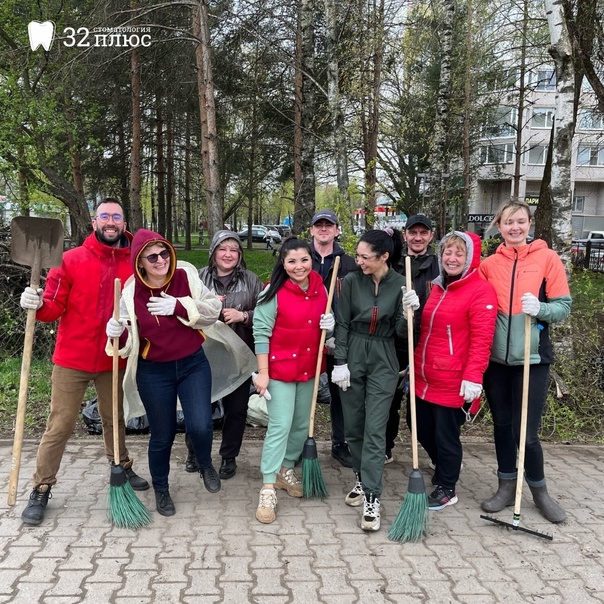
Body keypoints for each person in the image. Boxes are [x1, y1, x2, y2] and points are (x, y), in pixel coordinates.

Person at [18, 198, 149, 526]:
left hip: (112, 356)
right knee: (60, 424)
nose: (110, 222)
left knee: (113, 418)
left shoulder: (135, 264)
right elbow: (52, 308)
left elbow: (141, 308)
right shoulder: (70, 260)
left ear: (123, 222)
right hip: (72, 359)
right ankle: (41, 486)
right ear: (94, 222)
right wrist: (35, 303)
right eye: (104, 216)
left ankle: (121, 464)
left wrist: (127, 328)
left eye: (116, 217)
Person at [105, 229, 223, 517]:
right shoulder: (130, 292)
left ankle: (205, 463)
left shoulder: (186, 275)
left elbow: (213, 310)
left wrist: (180, 304)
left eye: (165, 252)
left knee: (201, 426)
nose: (161, 260)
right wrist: (116, 333)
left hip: (193, 364)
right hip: (154, 372)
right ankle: (161, 489)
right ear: (140, 262)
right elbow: (128, 343)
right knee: (162, 435)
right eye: (153, 256)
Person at [479, 200, 572, 524]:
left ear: (529, 224)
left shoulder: (547, 259)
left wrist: (542, 310)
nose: (514, 227)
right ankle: (506, 485)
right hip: (497, 361)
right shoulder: (489, 264)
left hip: (533, 358)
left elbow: (563, 307)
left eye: (520, 221)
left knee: (527, 433)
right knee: (503, 427)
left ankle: (539, 491)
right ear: (500, 226)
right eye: (508, 222)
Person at [407, 231, 497, 509]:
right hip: (425, 374)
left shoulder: (481, 291)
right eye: (448, 252)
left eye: (459, 253)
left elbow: (482, 340)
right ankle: (443, 466)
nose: (452, 258)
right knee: (418, 426)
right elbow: (431, 331)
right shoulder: (438, 287)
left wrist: (473, 377)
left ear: (470, 257)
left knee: (446, 436)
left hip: (453, 379)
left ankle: (448, 486)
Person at [252, 237, 335, 524]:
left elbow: (324, 323)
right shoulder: (271, 292)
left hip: (309, 368)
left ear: (312, 260)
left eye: (304, 260)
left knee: (301, 424)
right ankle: (267, 486)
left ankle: (285, 469)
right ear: (283, 264)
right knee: (280, 424)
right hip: (280, 370)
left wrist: (330, 322)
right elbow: (261, 333)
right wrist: (262, 373)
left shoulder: (322, 287)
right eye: (291, 261)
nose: (298, 266)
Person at [331, 228, 406, 532]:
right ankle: (362, 479)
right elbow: (344, 323)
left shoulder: (402, 284)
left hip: (384, 356)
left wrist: (410, 314)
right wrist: (340, 362)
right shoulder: (351, 281)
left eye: (364, 256)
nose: (358, 260)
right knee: (354, 426)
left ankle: (372, 496)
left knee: (376, 428)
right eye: (358, 255)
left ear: (383, 257)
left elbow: (402, 334)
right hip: (354, 352)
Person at [182, 230, 262, 480]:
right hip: (203, 354)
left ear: (239, 255)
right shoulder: (197, 277)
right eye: (222, 249)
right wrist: (206, 304)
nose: (228, 254)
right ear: (213, 251)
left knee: (236, 410)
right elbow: (181, 309)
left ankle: (229, 456)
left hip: (239, 355)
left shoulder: (251, 280)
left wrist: (244, 316)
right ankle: (194, 452)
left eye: (234, 250)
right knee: (198, 408)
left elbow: (265, 313)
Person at [385, 214, 439, 463]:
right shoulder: (394, 263)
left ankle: (437, 453)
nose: (418, 238)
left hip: (427, 344)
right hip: (396, 343)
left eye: (423, 233)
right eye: (413, 233)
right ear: (405, 235)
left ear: (431, 235)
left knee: (424, 405)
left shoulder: (438, 267)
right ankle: (385, 447)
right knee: (389, 399)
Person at [309, 209, 357, 468]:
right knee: (306, 391)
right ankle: (302, 441)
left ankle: (340, 443)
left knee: (341, 392)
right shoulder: (302, 258)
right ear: (312, 230)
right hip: (307, 334)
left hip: (340, 336)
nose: (324, 229)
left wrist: (338, 329)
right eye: (319, 225)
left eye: (329, 225)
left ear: (337, 230)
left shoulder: (349, 263)